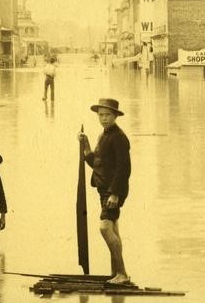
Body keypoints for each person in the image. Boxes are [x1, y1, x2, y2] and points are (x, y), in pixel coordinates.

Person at [79, 98, 132, 285]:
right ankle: (116, 271)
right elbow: (98, 164)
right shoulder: (103, 136)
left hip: (113, 191)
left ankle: (122, 273)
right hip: (104, 189)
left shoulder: (119, 137)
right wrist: (86, 147)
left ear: (116, 116)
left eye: (108, 115)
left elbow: (124, 169)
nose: (104, 118)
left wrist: (115, 194)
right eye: (101, 115)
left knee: (104, 228)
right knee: (113, 229)